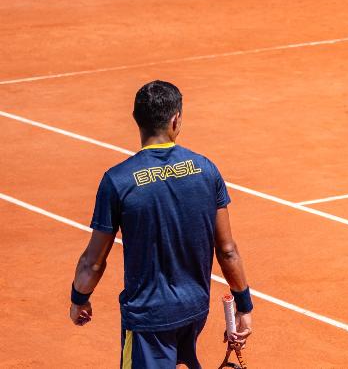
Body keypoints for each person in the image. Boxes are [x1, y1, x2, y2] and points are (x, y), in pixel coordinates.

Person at [69, 80, 253, 368]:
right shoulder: (206, 169)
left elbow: (93, 261)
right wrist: (244, 306)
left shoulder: (118, 181)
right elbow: (227, 250)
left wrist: (79, 298)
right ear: (175, 119)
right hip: (194, 312)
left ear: (136, 120)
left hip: (149, 320)